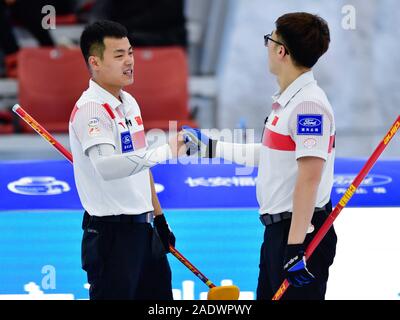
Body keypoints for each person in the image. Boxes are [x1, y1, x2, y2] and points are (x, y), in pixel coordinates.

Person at [182, 12, 337, 300]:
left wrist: (295, 247)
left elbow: (309, 179)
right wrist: (212, 148)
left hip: (302, 236)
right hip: (279, 235)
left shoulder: (309, 107)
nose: (266, 46)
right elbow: (269, 155)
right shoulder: (287, 102)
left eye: (270, 39)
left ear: (281, 51)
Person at [69, 20, 185, 300]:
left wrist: (159, 219)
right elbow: (108, 168)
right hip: (111, 236)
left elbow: (139, 165)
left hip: (144, 232)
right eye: (119, 55)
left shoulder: (129, 102)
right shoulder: (91, 110)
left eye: (130, 52)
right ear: (95, 62)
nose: (129, 61)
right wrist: (164, 151)